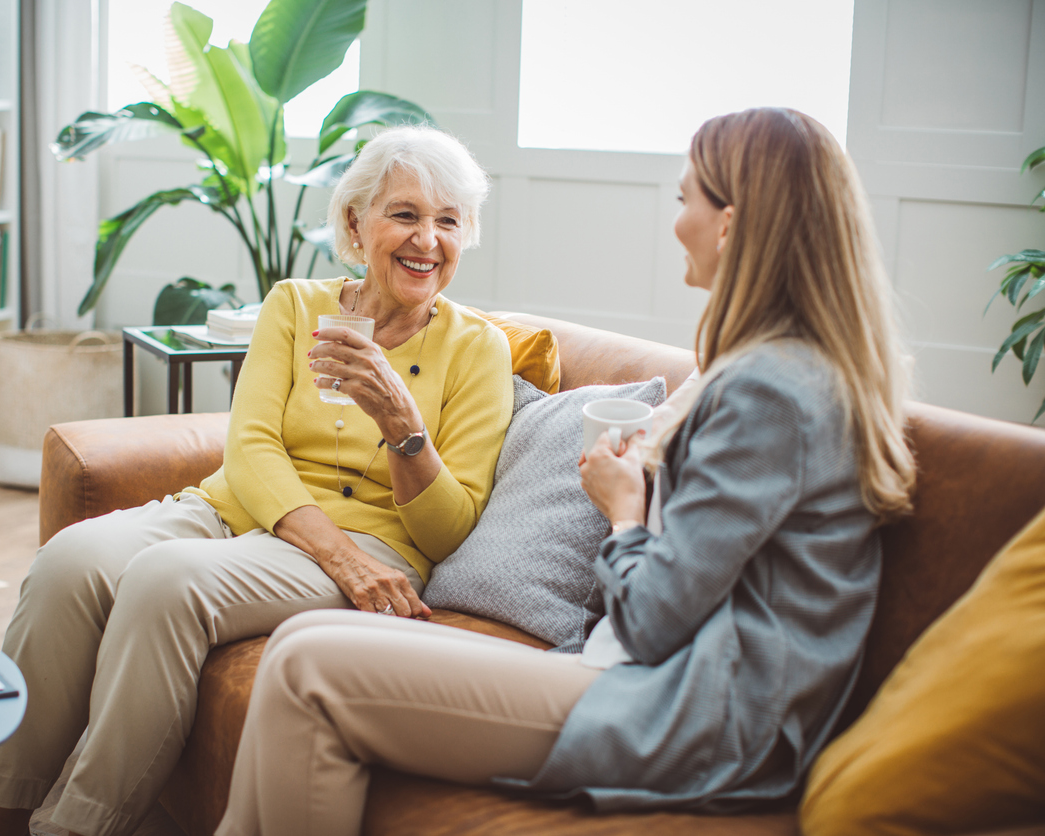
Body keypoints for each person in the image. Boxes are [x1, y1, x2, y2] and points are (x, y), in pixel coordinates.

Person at [214, 107, 918, 836]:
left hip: (694, 711)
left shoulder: (773, 389)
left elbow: (649, 621)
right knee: (300, 648)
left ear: (732, 225)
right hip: (652, 679)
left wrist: (623, 511)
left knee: (309, 667)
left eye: (685, 201)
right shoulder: (764, 368)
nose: (676, 222)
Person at [0, 125, 514, 836]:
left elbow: (448, 529)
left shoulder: (478, 349)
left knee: (168, 580)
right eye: (405, 214)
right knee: (70, 560)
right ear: (355, 223)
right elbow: (250, 444)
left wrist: (402, 424)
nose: (427, 240)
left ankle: (76, 827)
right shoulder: (295, 305)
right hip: (234, 509)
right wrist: (331, 552)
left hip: (372, 540)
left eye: (449, 221)